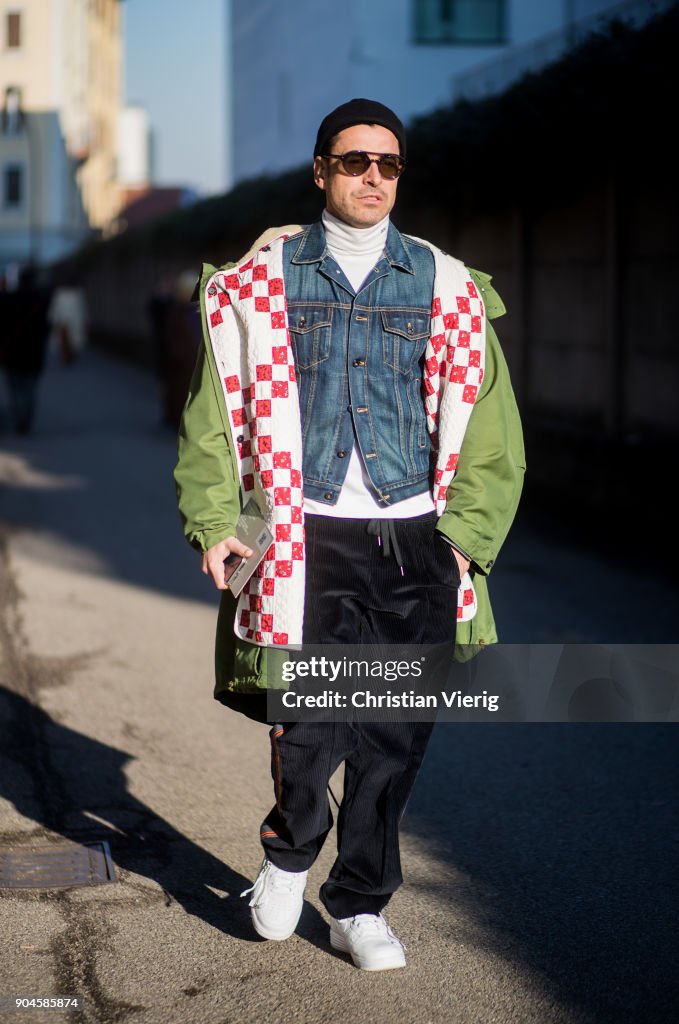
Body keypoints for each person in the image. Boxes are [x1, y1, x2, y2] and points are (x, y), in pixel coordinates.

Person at [174, 99, 525, 971]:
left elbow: (490, 424)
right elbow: (213, 413)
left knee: (393, 734)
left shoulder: (445, 283)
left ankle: (359, 904)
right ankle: (290, 852)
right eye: (355, 160)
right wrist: (216, 521)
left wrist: (462, 537)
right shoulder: (261, 283)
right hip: (306, 532)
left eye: (389, 164)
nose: (373, 176)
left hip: (414, 539)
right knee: (311, 721)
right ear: (321, 171)